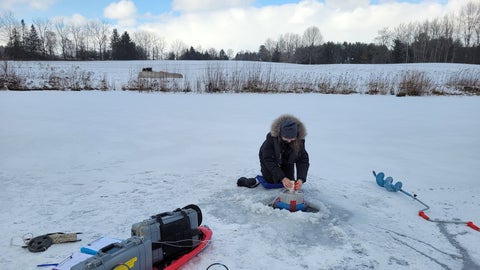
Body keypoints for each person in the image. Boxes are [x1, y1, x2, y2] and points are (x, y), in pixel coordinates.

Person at [258, 114, 309, 190]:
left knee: (290, 181)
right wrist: (282, 178)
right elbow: (268, 159)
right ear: (280, 134)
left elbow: (302, 160)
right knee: (272, 181)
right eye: (286, 138)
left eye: (292, 139)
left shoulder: (299, 140)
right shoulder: (271, 138)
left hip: (287, 158)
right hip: (270, 157)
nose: (289, 141)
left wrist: (301, 179)